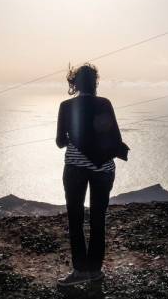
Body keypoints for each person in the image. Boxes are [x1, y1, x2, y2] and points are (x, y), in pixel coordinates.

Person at [55, 63, 129, 287]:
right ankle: (95, 271)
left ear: (74, 83)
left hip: (76, 168)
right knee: (98, 219)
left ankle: (80, 271)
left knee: (75, 219)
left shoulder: (66, 106)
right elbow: (113, 136)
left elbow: (59, 142)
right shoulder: (105, 103)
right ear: (95, 83)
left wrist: (74, 138)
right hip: (104, 169)